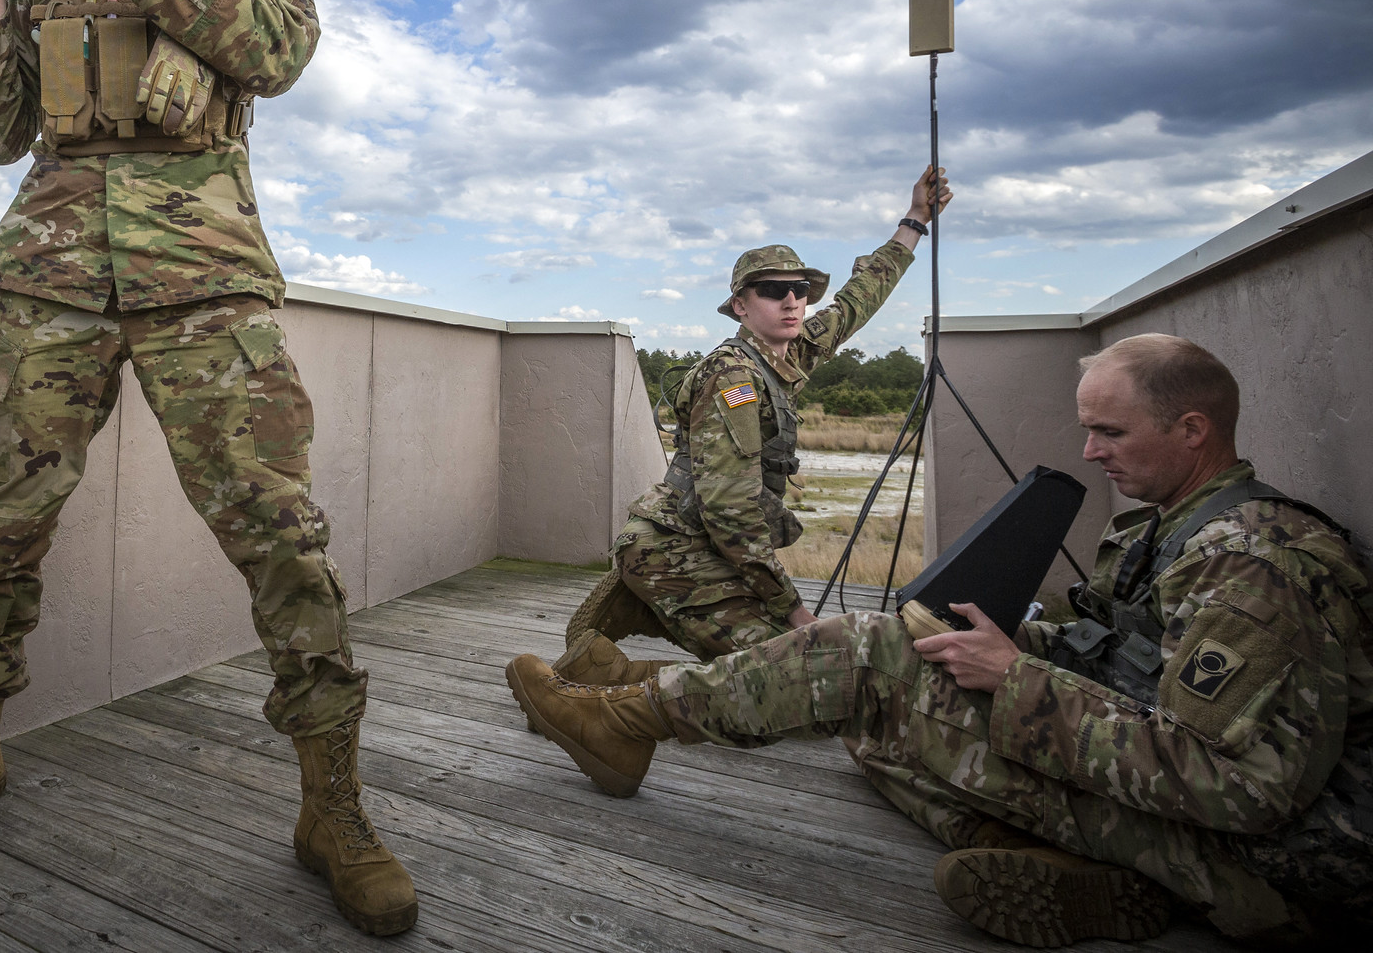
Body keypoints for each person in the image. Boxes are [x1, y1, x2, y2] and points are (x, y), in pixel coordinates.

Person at [0, 0, 417, 937]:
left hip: (202, 282)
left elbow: (274, 54)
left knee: (278, 536)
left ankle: (331, 806)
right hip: (53, 276)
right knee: (2, 523)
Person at [507, 334, 1372, 945]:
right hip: (1180, 803)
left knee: (862, 663)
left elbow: (1238, 789)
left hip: (1258, 864)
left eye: (1110, 431)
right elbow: (1118, 657)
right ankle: (1074, 867)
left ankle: (625, 720)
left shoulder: (1254, 568)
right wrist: (1009, 640)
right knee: (873, 721)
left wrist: (1018, 678)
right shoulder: (1175, 528)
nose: (1089, 450)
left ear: (1193, 430)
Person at [556, 168, 950, 686]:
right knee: (798, 675)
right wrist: (794, 609)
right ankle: (618, 672)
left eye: (800, 289)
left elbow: (858, 299)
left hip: (708, 546)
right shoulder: (733, 377)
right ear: (741, 306)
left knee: (808, 660)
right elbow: (730, 510)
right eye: (772, 290)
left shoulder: (791, 351)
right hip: (675, 550)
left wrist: (915, 219)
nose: (792, 301)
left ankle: (650, 608)